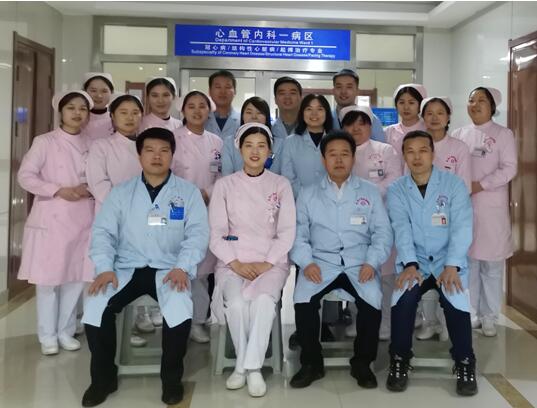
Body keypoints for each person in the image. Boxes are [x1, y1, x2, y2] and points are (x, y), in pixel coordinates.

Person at [81, 127, 209, 407]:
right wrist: (104, 267)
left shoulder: (187, 193)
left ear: (172, 155)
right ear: (139, 155)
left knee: (179, 309)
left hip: (169, 268)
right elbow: (103, 233)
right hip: (125, 268)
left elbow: (198, 234)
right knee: (95, 306)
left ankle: (171, 380)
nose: (156, 156)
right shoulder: (121, 193)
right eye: (149, 150)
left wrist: (183, 266)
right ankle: (103, 379)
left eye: (164, 150)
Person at [290, 130, 392, 389]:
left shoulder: (369, 191)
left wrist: (371, 262)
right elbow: (298, 235)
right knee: (303, 300)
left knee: (372, 300)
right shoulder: (308, 193)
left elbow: (382, 233)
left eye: (344, 154)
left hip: (359, 262)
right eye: (332, 154)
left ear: (353, 158)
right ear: (323, 159)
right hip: (320, 263)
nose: (338, 160)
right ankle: (311, 363)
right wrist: (306, 262)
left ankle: (362, 363)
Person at [386, 130, 477, 396]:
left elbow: (462, 227)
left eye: (423, 150)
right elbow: (401, 228)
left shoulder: (454, 185)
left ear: (433, 154)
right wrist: (410, 263)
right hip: (414, 263)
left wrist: (452, 265)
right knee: (403, 301)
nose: (417, 157)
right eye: (410, 152)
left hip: (448, 262)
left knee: (456, 300)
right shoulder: (397, 189)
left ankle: (465, 362)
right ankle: (400, 359)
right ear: (404, 156)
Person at [209, 123, 296, 397]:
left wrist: (267, 263)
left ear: (270, 151)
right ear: (239, 149)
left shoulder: (281, 185)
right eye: (249, 145)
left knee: (263, 302)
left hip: (271, 263)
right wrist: (235, 263)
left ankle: (251, 368)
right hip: (232, 262)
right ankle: (243, 365)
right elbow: (216, 233)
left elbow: (287, 231)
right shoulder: (224, 185)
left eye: (261, 146)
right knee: (236, 304)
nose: (255, 151)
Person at [17, 90, 95, 355]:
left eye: (82, 108)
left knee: (75, 278)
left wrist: (88, 188)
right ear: (60, 111)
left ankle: (65, 331)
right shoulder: (45, 142)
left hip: (83, 217)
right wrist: (57, 190)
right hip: (52, 219)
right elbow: (26, 176)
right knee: (48, 280)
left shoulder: (92, 143)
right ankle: (47, 335)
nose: (77, 113)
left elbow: (99, 175)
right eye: (71, 107)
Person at [85, 93, 153, 347]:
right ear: (112, 116)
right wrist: (127, 206)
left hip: (146, 221)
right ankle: (108, 332)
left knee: (141, 274)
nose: (130, 117)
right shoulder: (101, 146)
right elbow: (98, 183)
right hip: (113, 219)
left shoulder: (147, 146)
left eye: (135, 112)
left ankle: (136, 322)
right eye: (123, 112)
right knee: (110, 276)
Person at [452, 87, 517, 336]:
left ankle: (490, 316)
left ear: (492, 107)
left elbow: (509, 168)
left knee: (491, 265)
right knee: (469, 262)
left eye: (482, 100)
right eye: (472, 100)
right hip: (464, 207)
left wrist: (481, 185)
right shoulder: (459, 134)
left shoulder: (503, 134)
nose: (475, 104)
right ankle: (472, 313)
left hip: (491, 207)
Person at [341, 105, 402, 340]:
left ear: (370, 126)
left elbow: (394, 179)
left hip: (383, 218)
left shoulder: (385, 150)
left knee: (385, 276)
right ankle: (359, 320)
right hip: (350, 223)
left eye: (362, 123)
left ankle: (385, 322)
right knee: (357, 271)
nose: (356, 128)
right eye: (350, 124)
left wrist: (366, 194)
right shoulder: (341, 151)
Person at [415, 96, 472, 342]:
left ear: (448, 117)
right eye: (429, 113)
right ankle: (430, 322)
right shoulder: (417, 144)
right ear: (422, 117)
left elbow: (465, 186)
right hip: (421, 218)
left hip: (449, 218)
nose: (434, 117)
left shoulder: (459, 148)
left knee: (449, 270)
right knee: (425, 272)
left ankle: (448, 322)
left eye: (440, 112)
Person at [172, 90, 223, 343]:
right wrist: (189, 195)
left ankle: (198, 321)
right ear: (182, 110)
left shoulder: (217, 142)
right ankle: (177, 319)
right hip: (177, 207)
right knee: (178, 263)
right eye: (191, 106)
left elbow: (222, 175)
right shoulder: (173, 139)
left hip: (207, 206)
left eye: (202, 106)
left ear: (209, 110)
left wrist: (208, 192)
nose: (196, 111)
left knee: (202, 271)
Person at [281, 94, 334, 198]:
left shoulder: (336, 141)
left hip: (331, 200)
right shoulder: (290, 142)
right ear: (302, 113)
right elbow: (288, 177)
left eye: (320, 109)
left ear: (327, 113)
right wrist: (305, 198)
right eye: (309, 109)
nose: (314, 113)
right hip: (299, 200)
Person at [221, 96, 273, 175]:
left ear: (267, 117)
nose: (254, 117)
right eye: (249, 112)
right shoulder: (229, 142)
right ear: (242, 116)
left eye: (259, 113)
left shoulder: (279, 144)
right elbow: (226, 174)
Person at [331, 69, 385, 142]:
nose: (343, 91)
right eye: (339, 87)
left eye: (349, 87)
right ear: (333, 91)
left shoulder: (371, 120)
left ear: (357, 91)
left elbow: (380, 146)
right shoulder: (327, 118)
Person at [385, 83, 427, 165]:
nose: (406, 107)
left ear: (420, 105)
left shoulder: (427, 130)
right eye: (401, 102)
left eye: (411, 103)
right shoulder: (389, 131)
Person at [271, 76, 303, 173]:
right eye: (282, 93)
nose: (287, 97)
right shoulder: (269, 130)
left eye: (292, 93)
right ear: (275, 100)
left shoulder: (309, 130)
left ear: (300, 98)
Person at [205, 70, 241, 140]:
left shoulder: (242, 120)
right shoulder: (202, 120)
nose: (223, 91)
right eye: (218, 87)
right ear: (209, 91)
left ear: (235, 92)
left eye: (227, 87)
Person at [82, 72, 115, 141]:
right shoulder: (78, 118)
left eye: (104, 91)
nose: (99, 95)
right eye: (93, 91)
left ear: (111, 93)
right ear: (84, 92)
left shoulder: (116, 120)